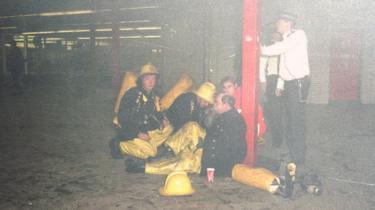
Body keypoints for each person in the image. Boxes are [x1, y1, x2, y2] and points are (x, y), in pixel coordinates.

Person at [261, 13, 310, 177]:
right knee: (290, 120)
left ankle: (299, 160)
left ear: (288, 23)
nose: (277, 24)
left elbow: (280, 49)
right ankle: (294, 154)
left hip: (298, 83)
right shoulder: (287, 39)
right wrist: (281, 83)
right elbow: (285, 63)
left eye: (279, 21)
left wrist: (259, 49)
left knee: (296, 121)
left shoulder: (298, 35)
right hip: (289, 84)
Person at [109, 64, 173, 168]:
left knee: (169, 128)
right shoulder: (132, 95)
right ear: (141, 80)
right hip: (130, 132)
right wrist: (138, 134)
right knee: (151, 153)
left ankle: (148, 145)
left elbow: (155, 113)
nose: (151, 82)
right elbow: (123, 119)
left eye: (153, 79)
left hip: (146, 130)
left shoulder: (153, 95)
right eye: (147, 79)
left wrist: (162, 120)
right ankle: (119, 145)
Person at [201, 93, 247, 177]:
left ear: (226, 105)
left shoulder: (236, 121)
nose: (214, 105)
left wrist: (230, 171)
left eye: (217, 103)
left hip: (223, 170)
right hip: (211, 167)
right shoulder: (218, 116)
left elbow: (238, 148)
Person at [259, 32, 284, 148]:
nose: (275, 36)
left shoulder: (286, 46)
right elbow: (261, 66)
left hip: (286, 79)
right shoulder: (268, 48)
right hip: (273, 79)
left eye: (277, 34)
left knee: (283, 110)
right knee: (274, 111)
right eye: (273, 33)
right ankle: (277, 138)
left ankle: (282, 134)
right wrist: (263, 81)